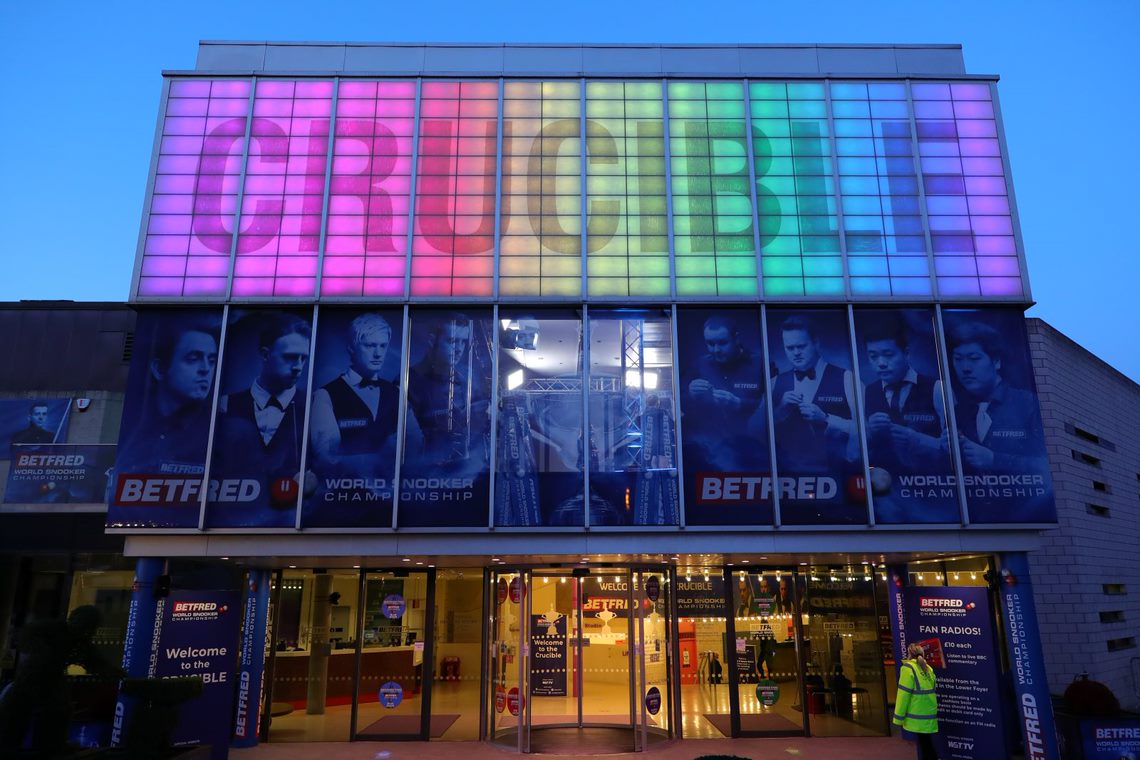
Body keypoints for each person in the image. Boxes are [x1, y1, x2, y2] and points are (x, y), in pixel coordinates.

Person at [213, 314, 311, 512]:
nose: (298, 367)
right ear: (265, 355)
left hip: (292, 521)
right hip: (230, 516)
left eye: (303, 358)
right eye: (290, 357)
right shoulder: (224, 406)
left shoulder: (313, 407)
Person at [115, 317, 219, 478]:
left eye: (212, 361)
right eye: (193, 358)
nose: (206, 369)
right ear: (159, 368)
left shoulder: (224, 432)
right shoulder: (134, 428)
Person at [946, 321, 1047, 476]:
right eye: (958, 359)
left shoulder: (1027, 404)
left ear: (996, 361)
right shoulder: (958, 412)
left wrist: (995, 460)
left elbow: (1047, 466)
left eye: (974, 358)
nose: (965, 368)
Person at [309, 313, 403, 469]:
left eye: (383, 345)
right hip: (344, 490)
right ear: (351, 348)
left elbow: (415, 447)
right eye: (370, 345)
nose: (378, 353)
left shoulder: (396, 392)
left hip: (394, 488)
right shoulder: (326, 395)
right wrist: (378, 458)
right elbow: (326, 460)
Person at [770, 315, 857, 473]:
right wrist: (779, 412)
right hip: (787, 477)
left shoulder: (847, 378)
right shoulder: (774, 383)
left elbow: (866, 431)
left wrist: (827, 419)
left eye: (801, 346)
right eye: (790, 348)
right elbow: (756, 433)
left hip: (837, 475)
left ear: (816, 342)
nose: (796, 353)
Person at [406, 312, 490, 470]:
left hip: (466, 471)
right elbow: (408, 441)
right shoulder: (409, 382)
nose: (459, 349)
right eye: (452, 341)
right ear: (432, 341)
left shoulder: (467, 382)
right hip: (425, 474)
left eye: (463, 342)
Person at [861, 317, 946, 472]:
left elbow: (956, 450)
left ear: (906, 353)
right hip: (886, 486)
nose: (881, 363)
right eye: (873, 356)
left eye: (888, 354)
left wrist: (919, 441)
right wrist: (869, 432)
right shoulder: (867, 392)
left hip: (932, 482)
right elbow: (858, 451)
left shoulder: (937, 389)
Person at [684, 315, 764, 438]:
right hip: (710, 447)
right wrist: (690, 394)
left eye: (722, 343)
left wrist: (739, 404)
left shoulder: (759, 364)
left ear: (736, 338)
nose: (716, 350)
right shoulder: (699, 365)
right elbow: (681, 407)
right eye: (710, 343)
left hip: (755, 444)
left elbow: (773, 406)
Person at [893, 642, 938, 759]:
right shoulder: (928, 668)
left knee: (925, 745)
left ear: (909, 654)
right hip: (929, 713)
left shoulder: (908, 669)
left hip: (917, 714)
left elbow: (903, 695)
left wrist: (898, 718)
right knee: (926, 743)